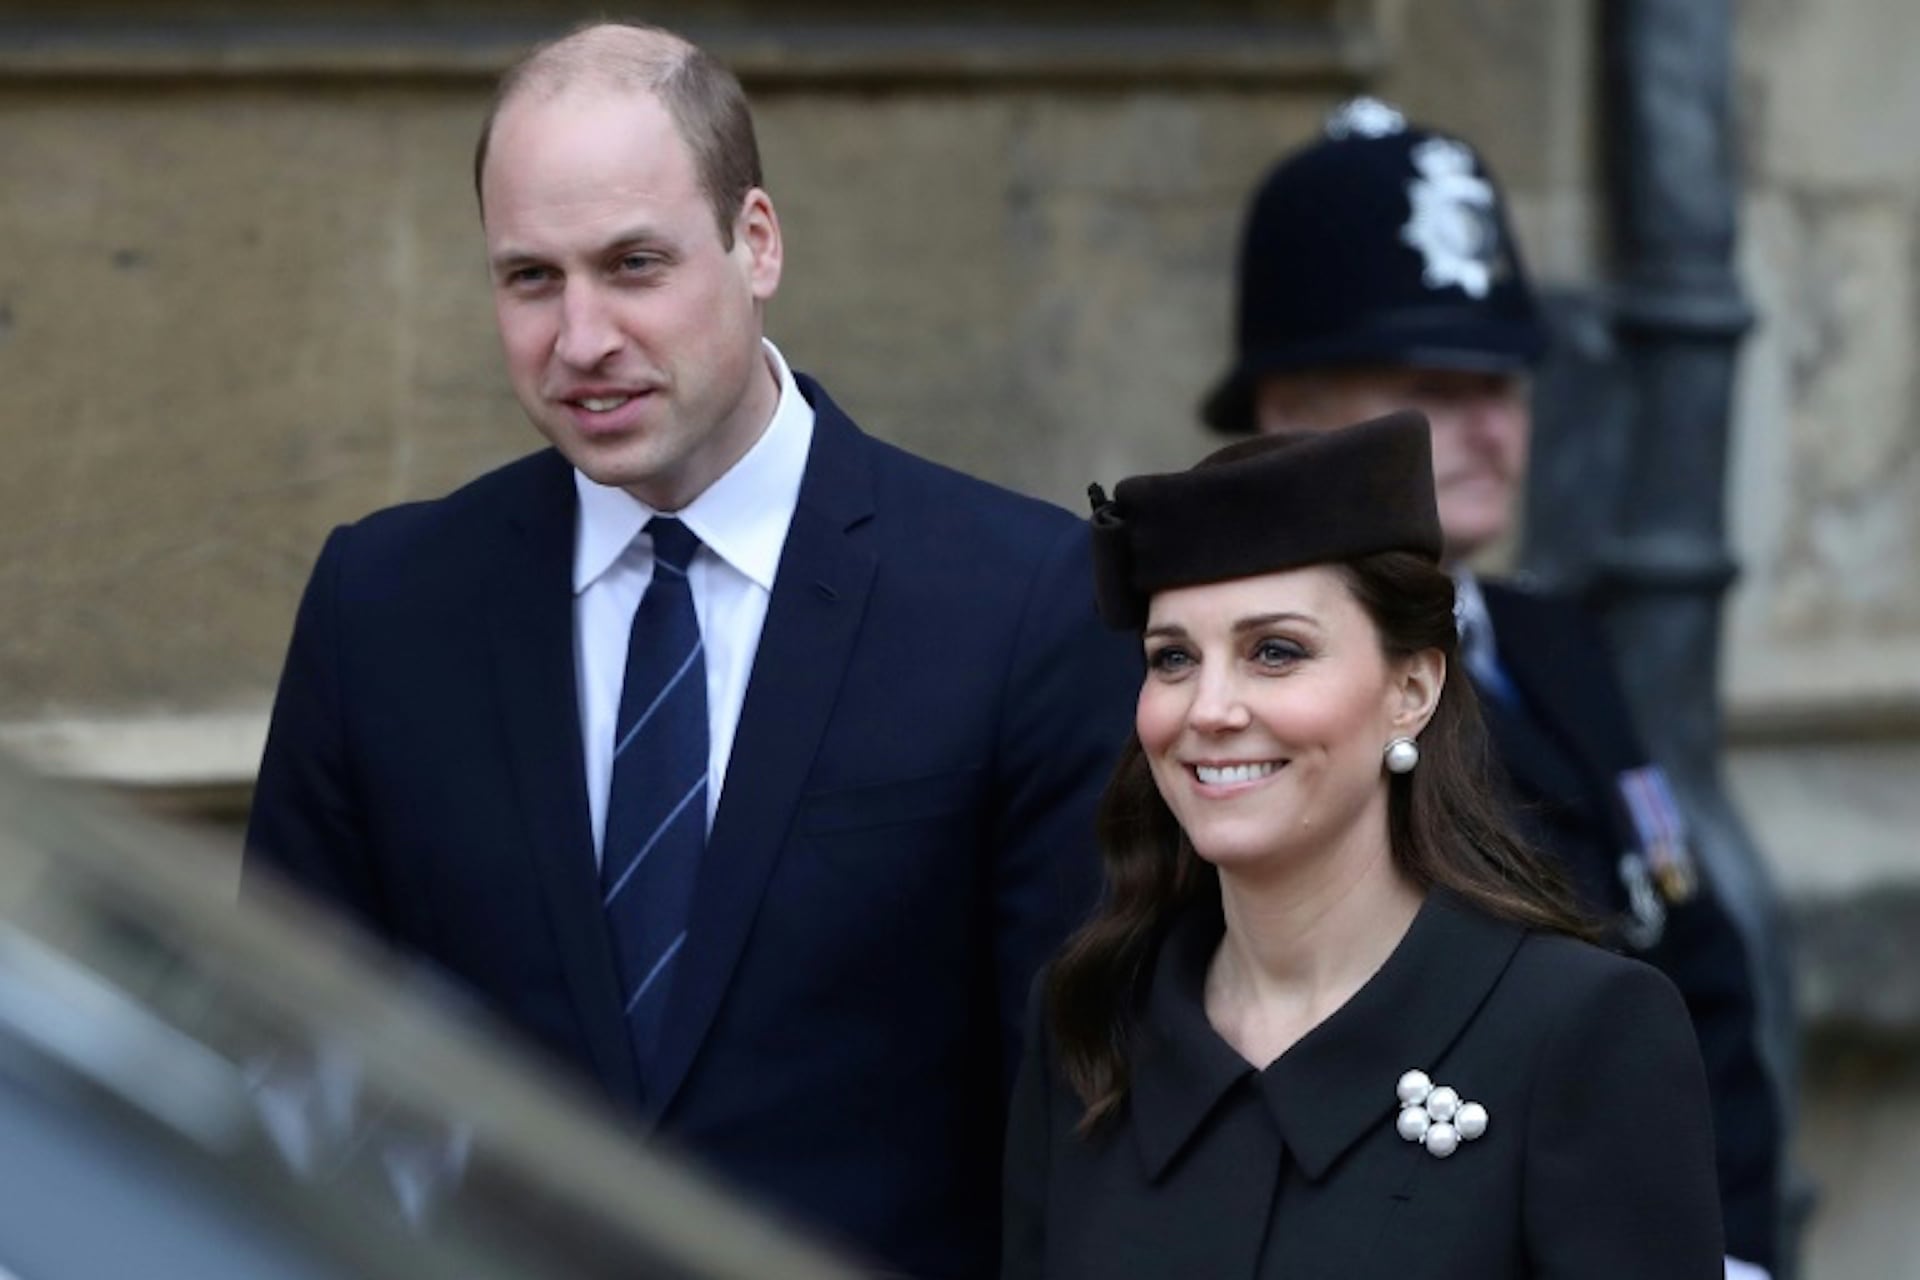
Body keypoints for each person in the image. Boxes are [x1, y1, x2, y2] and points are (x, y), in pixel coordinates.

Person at [243, 20, 1137, 1277]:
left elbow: (1077, 1122)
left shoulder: (1021, 600)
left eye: (633, 264)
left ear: (756, 241)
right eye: (531, 278)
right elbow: (287, 1064)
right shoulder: (384, 605)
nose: (582, 336)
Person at [1196, 100, 1780, 1278]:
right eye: (1430, 385)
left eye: (1501, 386)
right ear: (1288, 409)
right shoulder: (1234, 705)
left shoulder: (1556, 642)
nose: (1484, 431)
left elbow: (1699, 979)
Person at [1003, 412, 1724, 1279]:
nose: (1209, 709)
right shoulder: (1094, 1016)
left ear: (1411, 690)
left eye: (1275, 651)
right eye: (1173, 659)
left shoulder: (1578, 1029)